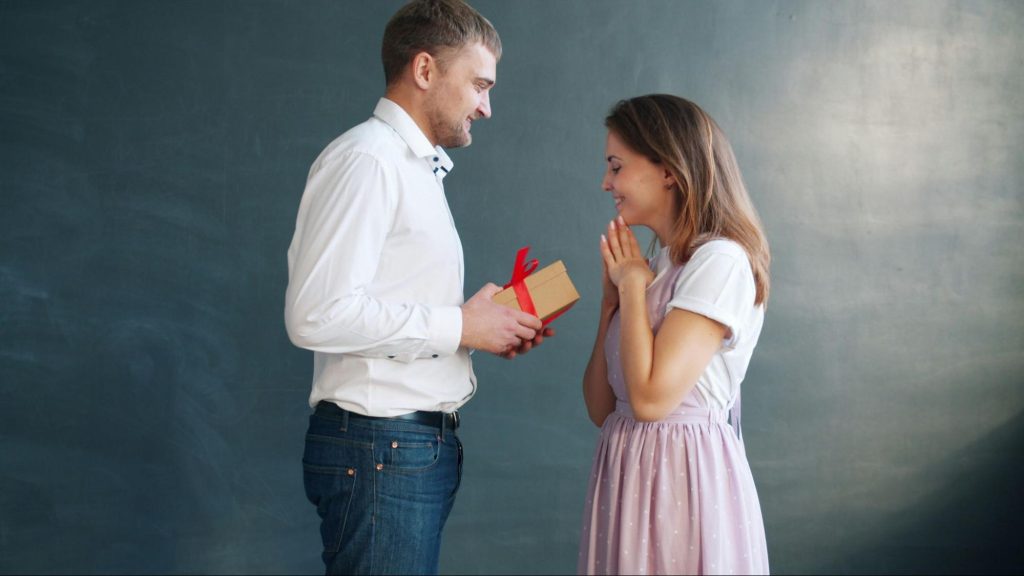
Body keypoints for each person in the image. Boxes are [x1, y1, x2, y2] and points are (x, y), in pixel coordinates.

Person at [284, 1, 551, 573]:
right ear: (425, 70)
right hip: (381, 449)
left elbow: (387, 303)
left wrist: (478, 328)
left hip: (402, 451)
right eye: (479, 85)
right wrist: (458, 325)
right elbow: (315, 313)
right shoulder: (368, 161)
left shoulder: (411, 168)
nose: (486, 107)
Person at [578, 94, 772, 575]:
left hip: (680, 479)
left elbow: (649, 401)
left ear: (668, 169)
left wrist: (631, 287)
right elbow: (603, 408)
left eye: (617, 166)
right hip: (627, 472)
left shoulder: (720, 262)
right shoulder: (658, 267)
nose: (606, 182)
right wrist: (611, 305)